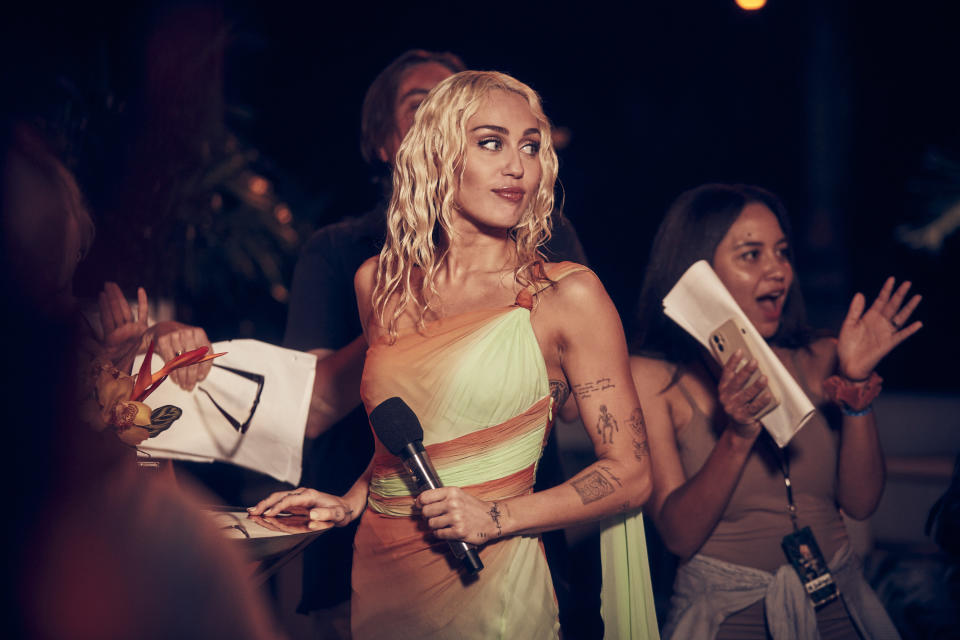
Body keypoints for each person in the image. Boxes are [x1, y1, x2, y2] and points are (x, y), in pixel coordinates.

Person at [251, 70, 652, 638]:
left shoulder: (564, 294)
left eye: (531, 146)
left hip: (492, 582)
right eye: (491, 142)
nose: (518, 165)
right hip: (381, 574)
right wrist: (348, 502)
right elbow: (411, 441)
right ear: (438, 155)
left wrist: (498, 516)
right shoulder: (380, 285)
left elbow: (631, 474)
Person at [630, 183, 917, 639]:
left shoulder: (823, 356)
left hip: (839, 610)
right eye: (751, 254)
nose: (778, 270)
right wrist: (738, 434)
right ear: (697, 275)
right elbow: (678, 536)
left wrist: (857, 385)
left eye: (782, 252)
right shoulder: (652, 379)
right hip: (727, 617)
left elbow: (861, 503)